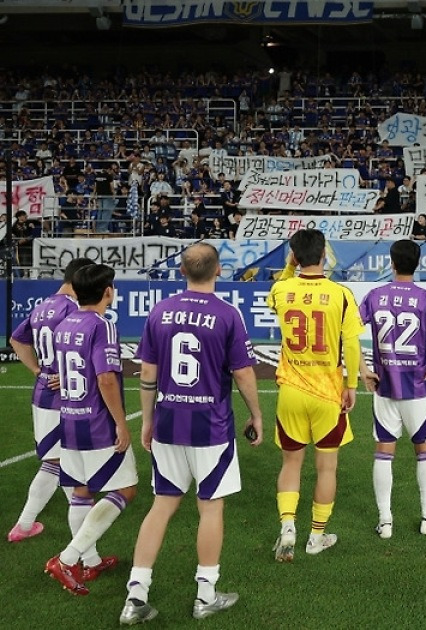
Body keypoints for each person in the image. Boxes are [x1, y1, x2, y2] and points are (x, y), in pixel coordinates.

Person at [119, 244, 264, 624]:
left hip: (168, 422)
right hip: (211, 427)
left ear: (182, 271)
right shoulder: (227, 313)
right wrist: (256, 414)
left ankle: (135, 595)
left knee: (162, 505)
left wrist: (147, 420)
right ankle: (205, 594)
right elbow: (243, 372)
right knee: (210, 506)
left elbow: (147, 374)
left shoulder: (160, 311)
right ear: (218, 270)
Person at [266, 229, 365, 561]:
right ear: (324, 254)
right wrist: (351, 385)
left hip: (291, 391)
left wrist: (289, 268)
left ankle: (287, 528)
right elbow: (351, 344)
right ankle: (316, 537)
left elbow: (275, 292)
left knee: (291, 463)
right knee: (326, 468)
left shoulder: (281, 289)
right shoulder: (341, 294)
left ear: (294, 257)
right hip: (328, 393)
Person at [359, 240, 426, 538]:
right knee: (425, 451)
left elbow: (348, 330)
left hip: (385, 387)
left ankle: (385, 521)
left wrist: (363, 369)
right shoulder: (425, 296)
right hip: (418, 387)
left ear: (392, 263)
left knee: (384, 451)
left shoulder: (375, 295)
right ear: (417, 264)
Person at [44, 264, 138, 596]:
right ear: (108, 292)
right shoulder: (102, 325)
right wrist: (121, 423)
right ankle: (68, 559)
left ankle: (90, 562)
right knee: (126, 489)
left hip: (69, 419)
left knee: (82, 492)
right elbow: (105, 378)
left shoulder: (64, 323)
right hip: (97, 423)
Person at [8, 257, 95, 543]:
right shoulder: (73, 309)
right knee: (67, 464)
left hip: (43, 393)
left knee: (55, 462)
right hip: (65, 396)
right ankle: (84, 543)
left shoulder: (42, 306)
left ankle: (25, 525)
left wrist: (37, 370)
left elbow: (16, 340)